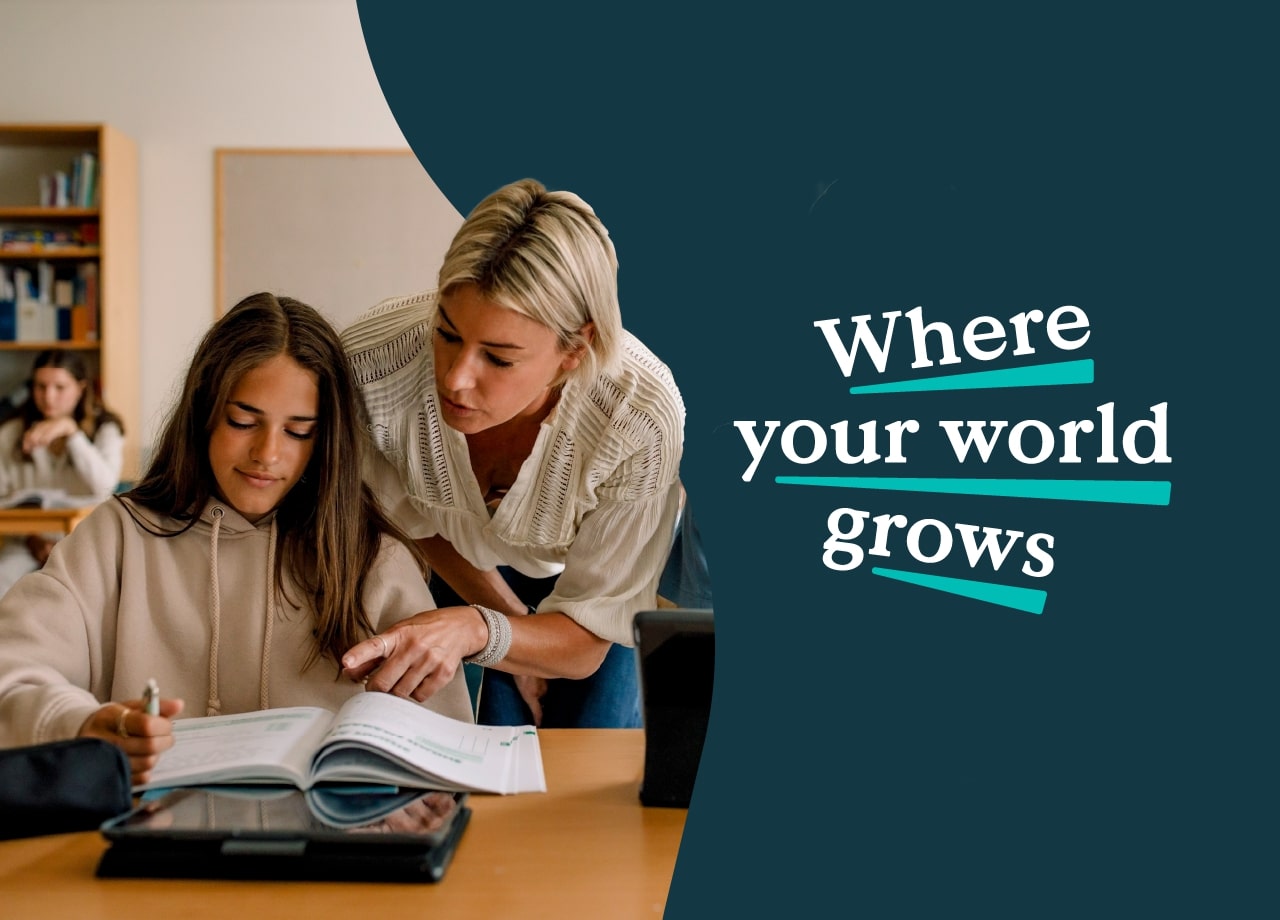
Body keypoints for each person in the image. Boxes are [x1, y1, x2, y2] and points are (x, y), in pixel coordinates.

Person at [0, 293, 473, 784]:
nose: (268, 454)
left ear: (326, 437)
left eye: (298, 431)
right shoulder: (115, 537)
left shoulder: (372, 556)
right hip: (152, 827)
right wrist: (79, 724)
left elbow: (450, 745)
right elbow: (12, 669)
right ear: (203, 410)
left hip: (331, 827)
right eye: (243, 422)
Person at [341, 178, 688, 728]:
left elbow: (584, 644)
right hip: (443, 551)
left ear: (574, 351)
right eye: (446, 334)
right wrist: (499, 622)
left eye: (499, 359)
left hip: (583, 570)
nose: (455, 379)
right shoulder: (368, 366)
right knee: (459, 733)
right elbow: (405, 517)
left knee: (592, 736)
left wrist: (483, 630)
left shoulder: (640, 416)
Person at [0, 349, 125, 597]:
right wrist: (32, 537)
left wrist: (72, 433)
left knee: (89, 594)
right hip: (26, 543)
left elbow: (104, 486)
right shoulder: (11, 432)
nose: (48, 397)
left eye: (60, 387)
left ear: (80, 388)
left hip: (86, 542)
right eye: (40, 386)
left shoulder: (106, 428)